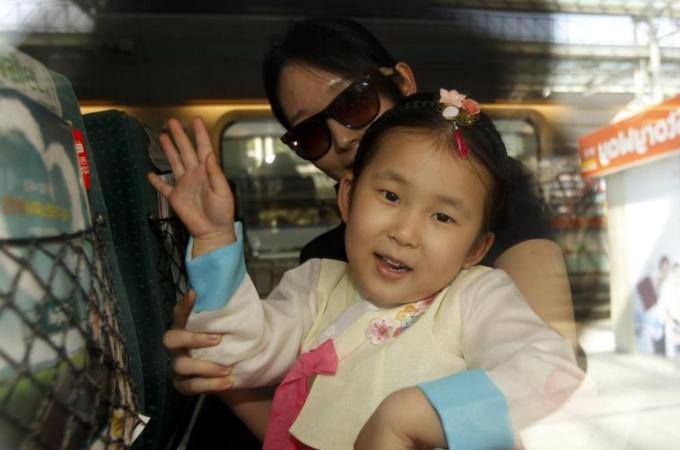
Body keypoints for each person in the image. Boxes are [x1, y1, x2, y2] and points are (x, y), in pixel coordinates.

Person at [161, 16, 577, 441]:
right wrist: (214, 243)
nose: (405, 233)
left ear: (476, 247)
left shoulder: (478, 298)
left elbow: (551, 373)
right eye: (391, 196)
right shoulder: (314, 285)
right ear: (347, 196)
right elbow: (241, 352)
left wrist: (412, 415)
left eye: (442, 216)